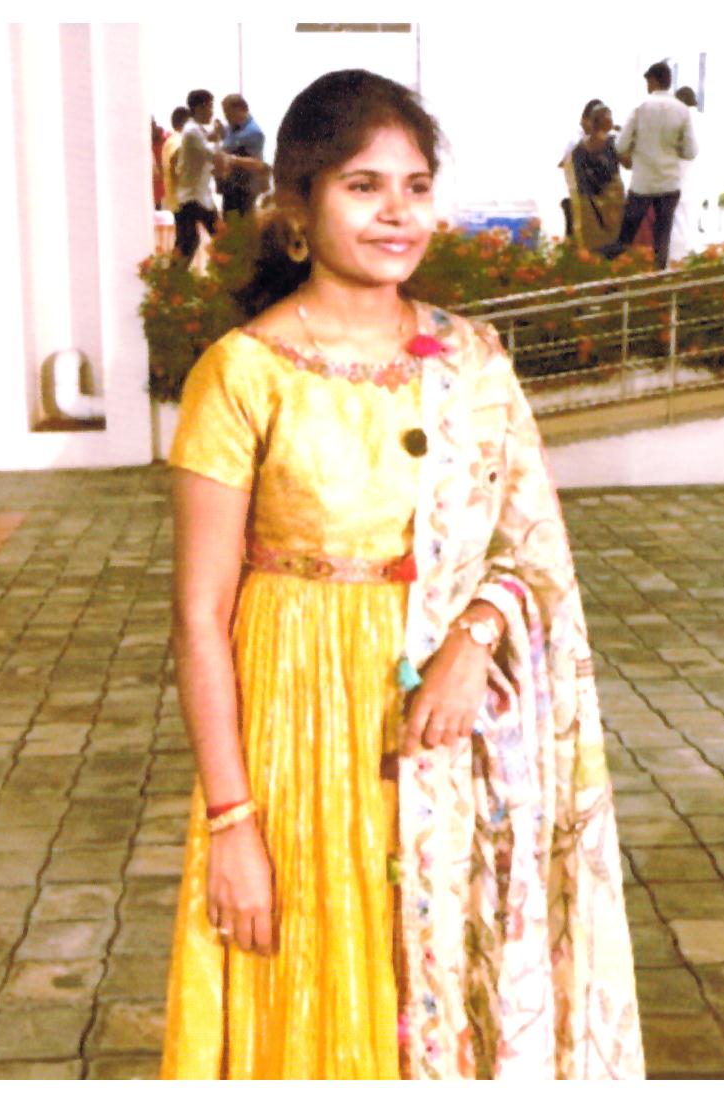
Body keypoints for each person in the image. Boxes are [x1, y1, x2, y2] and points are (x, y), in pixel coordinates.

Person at [161, 67, 644, 1081]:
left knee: (445, 987)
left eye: (415, 186)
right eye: (363, 185)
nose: (397, 212)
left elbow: (530, 547)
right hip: (296, 738)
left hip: (450, 745)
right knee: (307, 985)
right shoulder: (241, 374)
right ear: (298, 207)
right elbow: (200, 618)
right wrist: (232, 824)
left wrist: (473, 638)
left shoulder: (472, 361)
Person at [602, 61, 698, 269]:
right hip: (669, 185)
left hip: (642, 184)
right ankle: (659, 277)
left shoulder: (641, 108)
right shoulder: (682, 111)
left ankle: (613, 272)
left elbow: (620, 146)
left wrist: (637, 147)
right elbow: (691, 152)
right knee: (662, 241)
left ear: (653, 81)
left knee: (625, 237)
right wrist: (672, 149)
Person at [174, 90, 229, 264]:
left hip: (197, 196)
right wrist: (219, 140)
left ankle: (170, 277)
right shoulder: (192, 132)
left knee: (189, 244)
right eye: (210, 107)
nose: (212, 112)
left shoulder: (195, 128)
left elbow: (207, 137)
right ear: (199, 108)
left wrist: (215, 134)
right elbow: (213, 155)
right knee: (217, 240)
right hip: (193, 198)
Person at [570, 102, 627, 249]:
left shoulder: (578, 148)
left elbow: (577, 178)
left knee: (593, 247)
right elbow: (629, 163)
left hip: (589, 206)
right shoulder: (613, 143)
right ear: (606, 122)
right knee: (613, 243)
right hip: (613, 203)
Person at [558, 98, 602, 238]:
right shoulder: (576, 139)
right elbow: (564, 164)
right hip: (576, 198)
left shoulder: (591, 139)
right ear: (585, 119)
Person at [219, 93, 269, 218]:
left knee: (240, 227)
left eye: (229, 113)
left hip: (244, 191)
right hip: (230, 188)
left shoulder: (254, 133)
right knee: (231, 225)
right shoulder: (230, 127)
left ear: (241, 109)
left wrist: (232, 159)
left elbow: (257, 164)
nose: (226, 117)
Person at [668, 86, 702, 262]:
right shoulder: (704, 120)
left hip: (678, 180)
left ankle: (677, 261)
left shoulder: (679, 122)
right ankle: (690, 258)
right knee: (691, 223)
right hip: (698, 182)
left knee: (677, 224)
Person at [162, 106, 191, 215]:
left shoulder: (169, 142)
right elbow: (176, 163)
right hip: (185, 202)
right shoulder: (180, 141)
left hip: (176, 201)